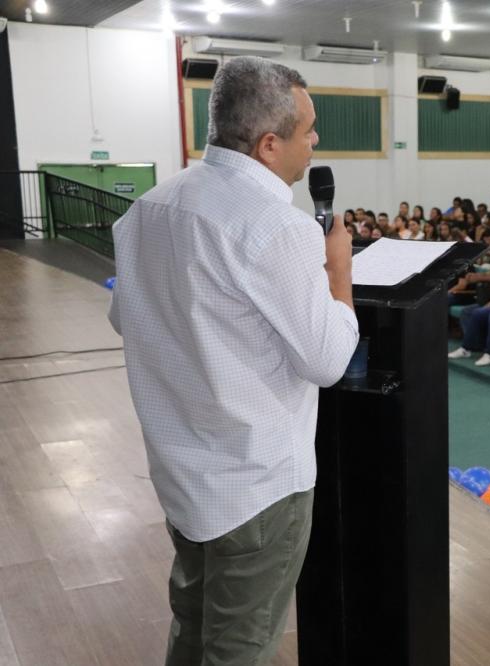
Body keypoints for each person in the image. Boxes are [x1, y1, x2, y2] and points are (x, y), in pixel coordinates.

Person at [108, 57, 359, 665]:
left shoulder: (151, 208)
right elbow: (327, 360)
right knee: (238, 649)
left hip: (182, 470)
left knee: (191, 629)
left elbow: (128, 319)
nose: (316, 141)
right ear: (270, 145)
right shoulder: (278, 226)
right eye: (309, 130)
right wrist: (339, 273)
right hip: (258, 485)